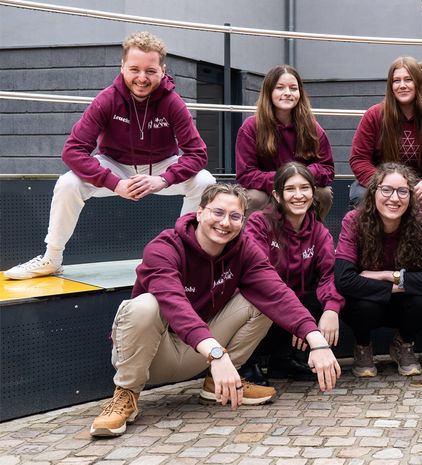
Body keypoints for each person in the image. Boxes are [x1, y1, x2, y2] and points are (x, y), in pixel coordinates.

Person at [89, 183, 340, 438]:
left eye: (235, 216)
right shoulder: (164, 247)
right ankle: (126, 394)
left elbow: (276, 292)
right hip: (154, 354)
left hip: (202, 353)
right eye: (217, 213)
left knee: (262, 302)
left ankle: (216, 384)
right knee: (145, 305)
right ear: (199, 213)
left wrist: (316, 339)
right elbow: (174, 303)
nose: (225, 223)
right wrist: (217, 354)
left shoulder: (243, 249)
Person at [5, 31, 215, 280]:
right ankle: (52, 257)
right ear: (122, 67)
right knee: (68, 183)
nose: (142, 78)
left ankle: (183, 256)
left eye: (150, 71)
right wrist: (115, 183)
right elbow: (72, 150)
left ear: (162, 70)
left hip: (160, 167)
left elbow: (198, 154)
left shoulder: (172, 103)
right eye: (134, 69)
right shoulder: (107, 99)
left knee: (205, 182)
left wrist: (165, 179)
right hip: (115, 165)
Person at [334, 163, 422, 377]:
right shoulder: (354, 221)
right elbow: (343, 279)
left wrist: (390, 277)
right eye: (386, 190)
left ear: (411, 196)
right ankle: (362, 346)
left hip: (404, 304)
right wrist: (402, 284)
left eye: (403, 191)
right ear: (374, 191)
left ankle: (404, 343)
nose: (394, 198)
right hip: (368, 302)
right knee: (362, 304)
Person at [240, 162, 344, 385]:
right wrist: (298, 318)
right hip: (267, 303)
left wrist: (332, 310)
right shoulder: (259, 223)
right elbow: (261, 278)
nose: (299, 195)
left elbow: (328, 275)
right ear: (277, 195)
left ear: (313, 193)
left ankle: (283, 360)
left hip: (295, 308)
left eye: (305, 188)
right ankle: (248, 363)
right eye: (290, 189)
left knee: (321, 299)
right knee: (256, 303)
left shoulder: (319, 231)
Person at [348, 56, 422, 208]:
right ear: (391, 86)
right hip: (381, 181)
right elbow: (359, 159)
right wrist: (383, 185)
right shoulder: (374, 116)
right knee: (360, 196)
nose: (402, 85)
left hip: (420, 183)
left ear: (418, 83)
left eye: (408, 79)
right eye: (396, 81)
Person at [235, 65, 335, 218]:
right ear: (269, 92)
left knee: (324, 194)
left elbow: (327, 168)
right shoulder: (250, 127)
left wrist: (300, 179)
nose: (287, 93)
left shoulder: (312, 127)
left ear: (300, 93)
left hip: (301, 188)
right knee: (253, 198)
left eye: (293, 88)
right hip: (267, 191)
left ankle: (311, 237)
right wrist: (283, 180)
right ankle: (253, 240)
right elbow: (246, 175)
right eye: (280, 88)